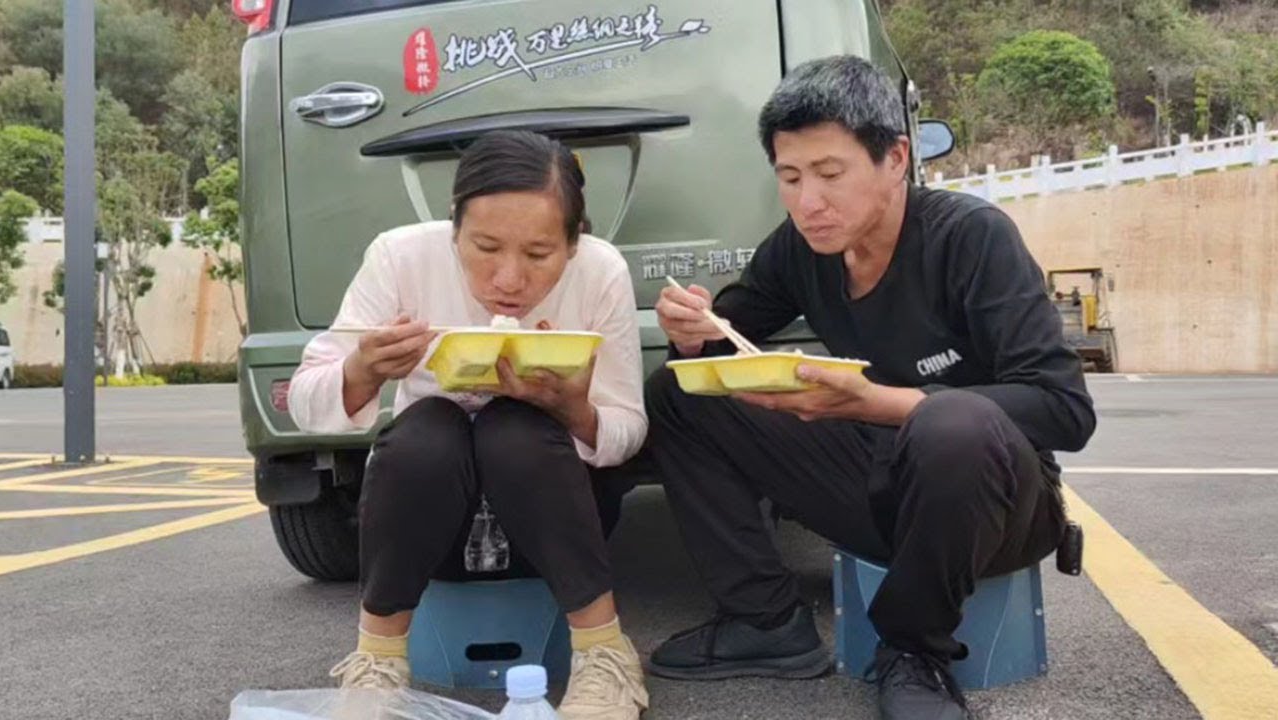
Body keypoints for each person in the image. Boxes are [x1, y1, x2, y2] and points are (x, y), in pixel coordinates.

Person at [644, 56, 1096, 720]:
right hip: (883, 484)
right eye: (790, 178)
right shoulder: (801, 250)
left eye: (830, 174)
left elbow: (1066, 411)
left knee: (952, 425)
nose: (808, 202)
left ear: (895, 159)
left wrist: (878, 404)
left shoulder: (970, 238)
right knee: (679, 395)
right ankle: (764, 621)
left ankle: (914, 652)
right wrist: (690, 330)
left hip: (994, 503)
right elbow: (723, 340)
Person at [288, 130, 649, 720]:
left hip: (559, 528)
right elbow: (305, 400)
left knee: (514, 425)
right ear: (452, 228)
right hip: (428, 534)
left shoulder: (600, 272)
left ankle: (605, 654)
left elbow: (628, 429)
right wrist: (361, 369)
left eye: (538, 255)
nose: (508, 279)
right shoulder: (401, 257)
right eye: (484, 246)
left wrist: (571, 409)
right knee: (429, 425)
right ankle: (376, 659)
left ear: (574, 244)